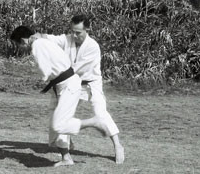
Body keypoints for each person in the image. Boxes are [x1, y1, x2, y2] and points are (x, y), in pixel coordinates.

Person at [10, 26, 112, 167]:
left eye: (18, 45)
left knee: (59, 125)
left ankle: (93, 122)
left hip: (68, 85)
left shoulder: (37, 45)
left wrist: (38, 78)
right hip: (61, 86)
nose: (19, 48)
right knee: (54, 127)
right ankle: (66, 157)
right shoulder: (42, 42)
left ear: (23, 40)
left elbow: (44, 72)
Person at [33, 14, 125, 164]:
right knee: (61, 114)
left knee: (100, 112)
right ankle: (66, 151)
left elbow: (73, 69)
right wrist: (37, 36)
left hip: (91, 83)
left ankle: (117, 145)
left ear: (87, 29)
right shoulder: (67, 39)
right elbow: (52, 39)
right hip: (71, 83)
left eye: (78, 32)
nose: (74, 35)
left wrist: (55, 74)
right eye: (72, 31)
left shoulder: (93, 46)